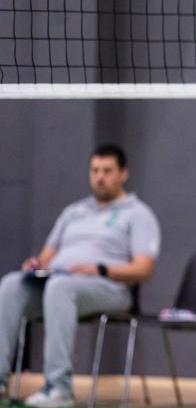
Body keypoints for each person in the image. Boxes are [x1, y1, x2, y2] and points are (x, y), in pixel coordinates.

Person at [0, 145, 160, 408]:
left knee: (60, 287)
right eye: (95, 170)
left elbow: (143, 270)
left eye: (107, 171)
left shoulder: (138, 214)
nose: (100, 177)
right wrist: (36, 264)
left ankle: (58, 389)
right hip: (58, 284)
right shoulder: (73, 212)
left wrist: (100, 270)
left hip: (110, 288)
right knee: (10, 285)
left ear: (123, 174)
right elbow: (46, 257)